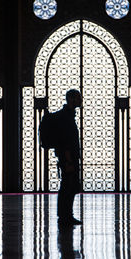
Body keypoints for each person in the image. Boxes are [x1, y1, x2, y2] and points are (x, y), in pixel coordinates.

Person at [54, 89, 83, 226]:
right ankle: (65, 216)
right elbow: (65, 141)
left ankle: (66, 215)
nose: (80, 100)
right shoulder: (65, 117)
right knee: (67, 187)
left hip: (69, 158)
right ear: (71, 99)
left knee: (68, 187)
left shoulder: (68, 116)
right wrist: (69, 160)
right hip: (68, 159)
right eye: (78, 98)